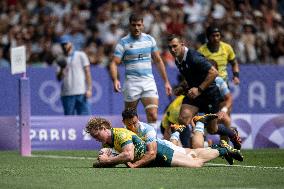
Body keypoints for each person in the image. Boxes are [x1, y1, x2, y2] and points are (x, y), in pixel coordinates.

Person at [86, 116, 243, 168]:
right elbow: (104, 157)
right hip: (155, 156)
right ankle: (219, 147)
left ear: (104, 128)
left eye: (96, 134)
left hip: (159, 153)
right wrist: (102, 159)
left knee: (195, 162)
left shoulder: (120, 135)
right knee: (192, 154)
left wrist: (106, 162)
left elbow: (128, 155)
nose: (95, 138)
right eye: (93, 137)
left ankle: (224, 149)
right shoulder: (108, 142)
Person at [109, 13, 172, 130]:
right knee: (130, 118)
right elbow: (114, 62)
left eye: (139, 25)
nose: (136, 28)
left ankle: (152, 144)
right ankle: (131, 144)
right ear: (130, 25)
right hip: (131, 83)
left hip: (148, 81)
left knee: (153, 115)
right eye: (134, 25)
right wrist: (115, 79)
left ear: (143, 25)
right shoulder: (123, 42)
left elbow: (158, 61)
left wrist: (166, 82)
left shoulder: (150, 40)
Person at [167, 34, 225, 149]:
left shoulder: (193, 57)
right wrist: (182, 88)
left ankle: (231, 133)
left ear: (182, 45)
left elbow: (213, 72)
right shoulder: (178, 60)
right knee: (183, 119)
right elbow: (190, 78)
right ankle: (183, 147)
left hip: (209, 95)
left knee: (212, 129)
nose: (172, 50)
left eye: (175, 46)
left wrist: (199, 89)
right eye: (170, 48)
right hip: (195, 95)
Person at [56, 35, 93, 115]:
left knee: (86, 118)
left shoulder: (81, 55)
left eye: (66, 44)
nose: (64, 46)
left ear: (71, 43)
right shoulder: (61, 59)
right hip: (67, 93)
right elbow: (59, 78)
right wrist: (62, 68)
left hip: (81, 92)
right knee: (69, 120)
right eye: (62, 44)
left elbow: (87, 72)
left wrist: (89, 89)